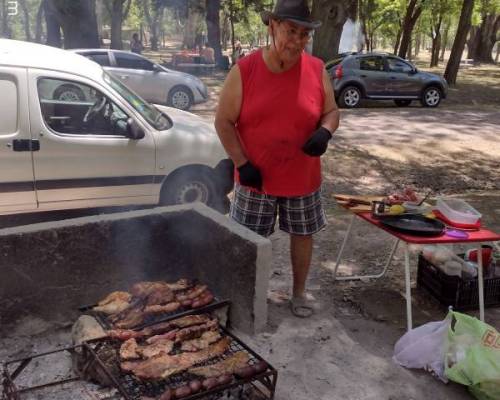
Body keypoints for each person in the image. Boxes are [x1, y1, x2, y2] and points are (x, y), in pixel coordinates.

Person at [214, 0, 339, 318]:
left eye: (304, 34)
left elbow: (331, 111)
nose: (297, 41)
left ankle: (298, 293)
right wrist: (242, 163)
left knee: (302, 234)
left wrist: (325, 131)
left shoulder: (315, 68)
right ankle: (247, 295)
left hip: (302, 176)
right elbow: (223, 122)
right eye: (290, 31)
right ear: (272, 27)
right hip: (256, 177)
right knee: (249, 241)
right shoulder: (245, 70)